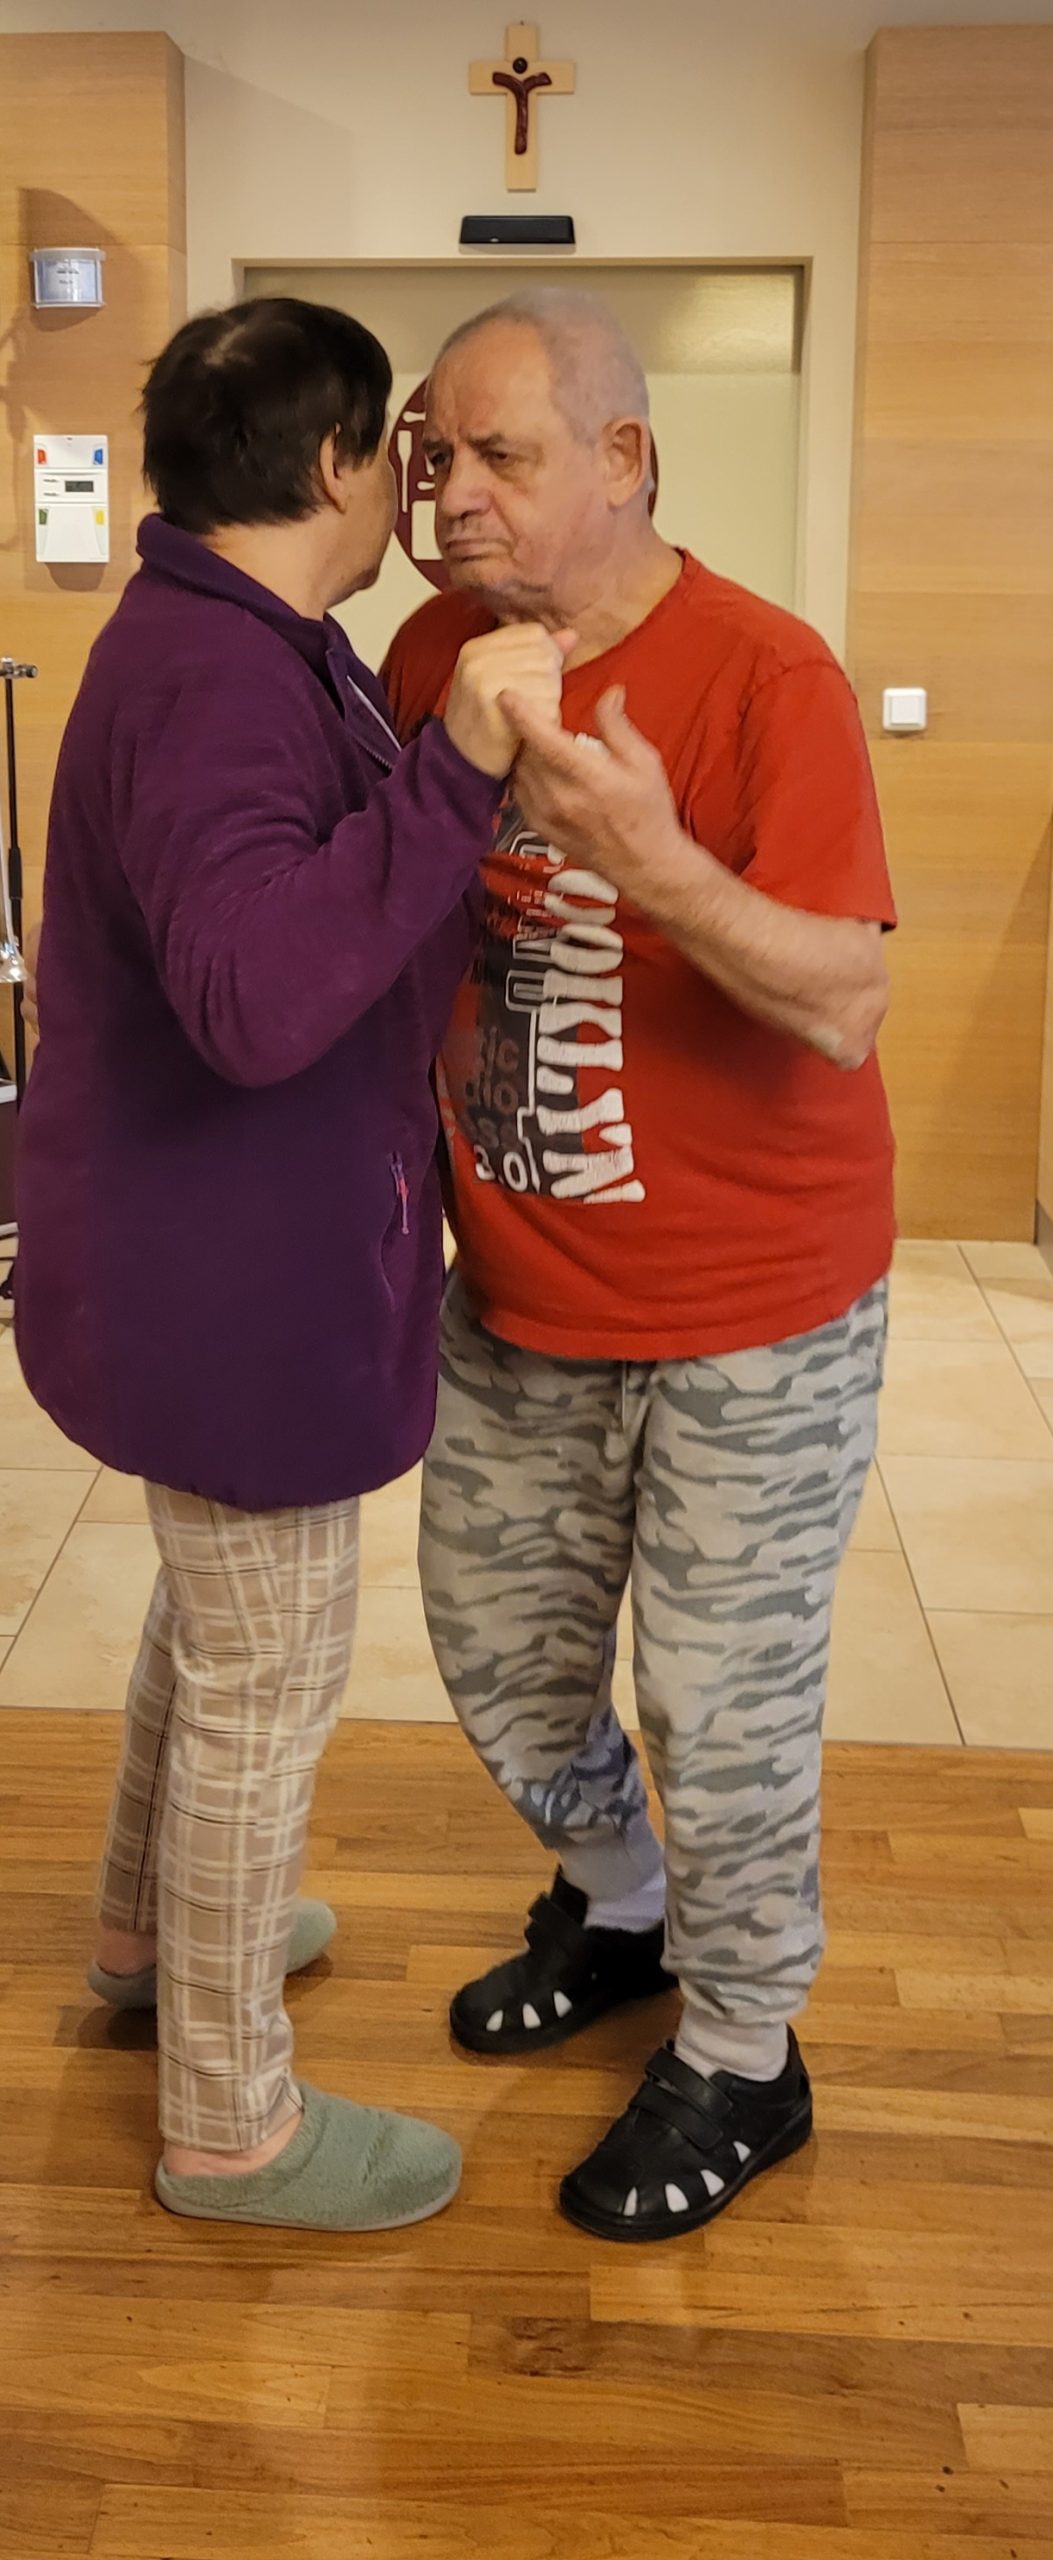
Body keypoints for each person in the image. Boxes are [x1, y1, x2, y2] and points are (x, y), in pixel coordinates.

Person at [14, 295, 566, 2233]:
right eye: (408, 450)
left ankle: (143, 1937)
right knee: (267, 1673)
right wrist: (458, 767)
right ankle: (229, 2122)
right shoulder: (214, 677)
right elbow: (255, 995)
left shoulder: (241, 643)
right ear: (335, 462)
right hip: (223, 1281)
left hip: (206, 1250)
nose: (429, 487)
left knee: (208, 1631)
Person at [383, 288, 894, 2245]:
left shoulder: (765, 674)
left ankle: (746, 2051)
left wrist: (650, 859)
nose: (453, 493)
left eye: (499, 453)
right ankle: (619, 1907)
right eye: (433, 453)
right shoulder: (432, 653)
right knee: (497, 1658)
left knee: (717, 1705)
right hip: (520, 1297)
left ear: (623, 459)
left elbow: (842, 1000)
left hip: (754, 1312)